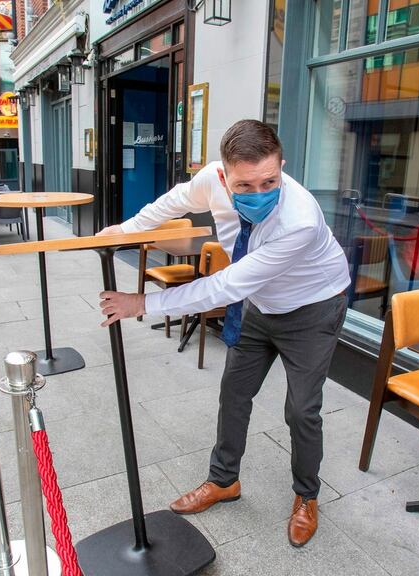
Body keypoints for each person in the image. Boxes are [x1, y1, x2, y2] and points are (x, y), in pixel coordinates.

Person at [97, 119, 350, 547]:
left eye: (269, 181)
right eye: (244, 186)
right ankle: (224, 481)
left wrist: (142, 303)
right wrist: (127, 230)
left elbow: (226, 286)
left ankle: (306, 496)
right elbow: (174, 202)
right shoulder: (210, 180)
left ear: (282, 166)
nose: (259, 193)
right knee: (234, 392)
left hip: (313, 309)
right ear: (222, 175)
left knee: (301, 409)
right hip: (263, 304)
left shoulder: (300, 221)